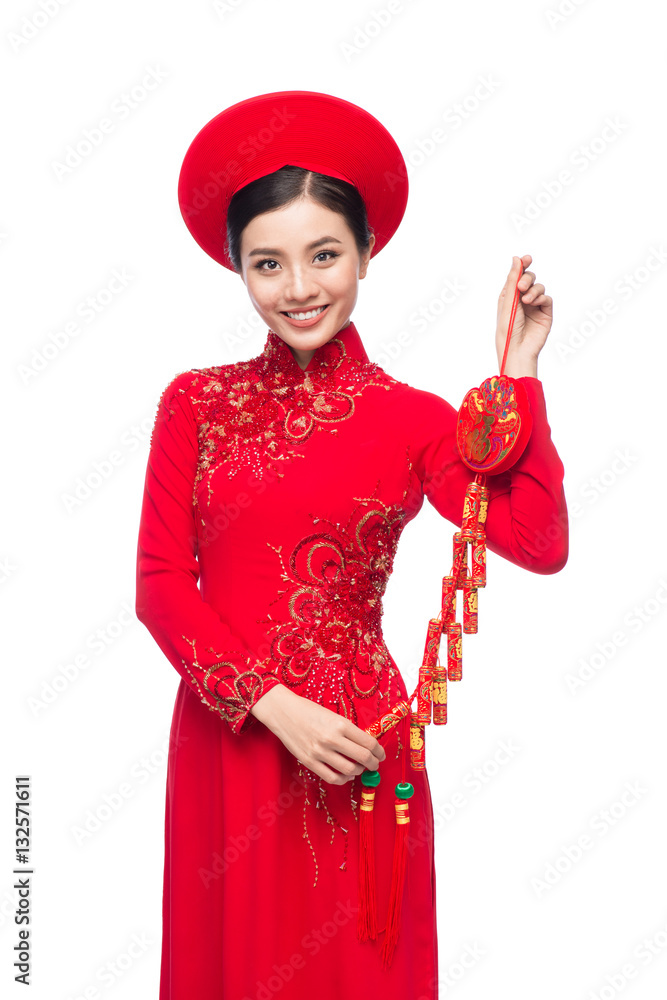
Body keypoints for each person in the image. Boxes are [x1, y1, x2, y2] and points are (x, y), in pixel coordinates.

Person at [135, 90, 568, 1000]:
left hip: (361, 744)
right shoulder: (195, 403)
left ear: (366, 254)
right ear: (240, 272)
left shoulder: (412, 418)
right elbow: (161, 585)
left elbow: (534, 540)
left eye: (323, 254)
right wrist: (269, 705)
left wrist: (518, 374)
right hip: (235, 735)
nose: (298, 288)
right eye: (267, 264)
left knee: (358, 965)